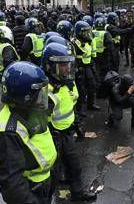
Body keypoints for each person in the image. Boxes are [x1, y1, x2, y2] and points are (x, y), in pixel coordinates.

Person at [0, 61, 57, 204]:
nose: (42, 97)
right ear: (25, 96)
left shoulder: (28, 110)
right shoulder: (6, 132)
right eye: (39, 93)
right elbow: (13, 187)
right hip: (30, 190)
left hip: (43, 182)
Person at [41, 43, 97, 202]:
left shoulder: (67, 83)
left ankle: (78, 195)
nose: (67, 68)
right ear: (50, 66)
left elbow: (71, 106)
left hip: (67, 132)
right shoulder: (47, 90)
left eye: (68, 64)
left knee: (75, 166)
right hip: (53, 137)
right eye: (63, 65)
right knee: (52, 176)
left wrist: (77, 124)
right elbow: (39, 120)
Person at [72, 21, 100, 116]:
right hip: (79, 69)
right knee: (81, 91)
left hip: (88, 66)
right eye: (85, 32)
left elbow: (92, 55)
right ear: (79, 33)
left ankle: (91, 104)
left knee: (92, 85)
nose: (88, 34)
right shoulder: (73, 44)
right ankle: (79, 110)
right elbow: (72, 60)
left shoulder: (89, 41)